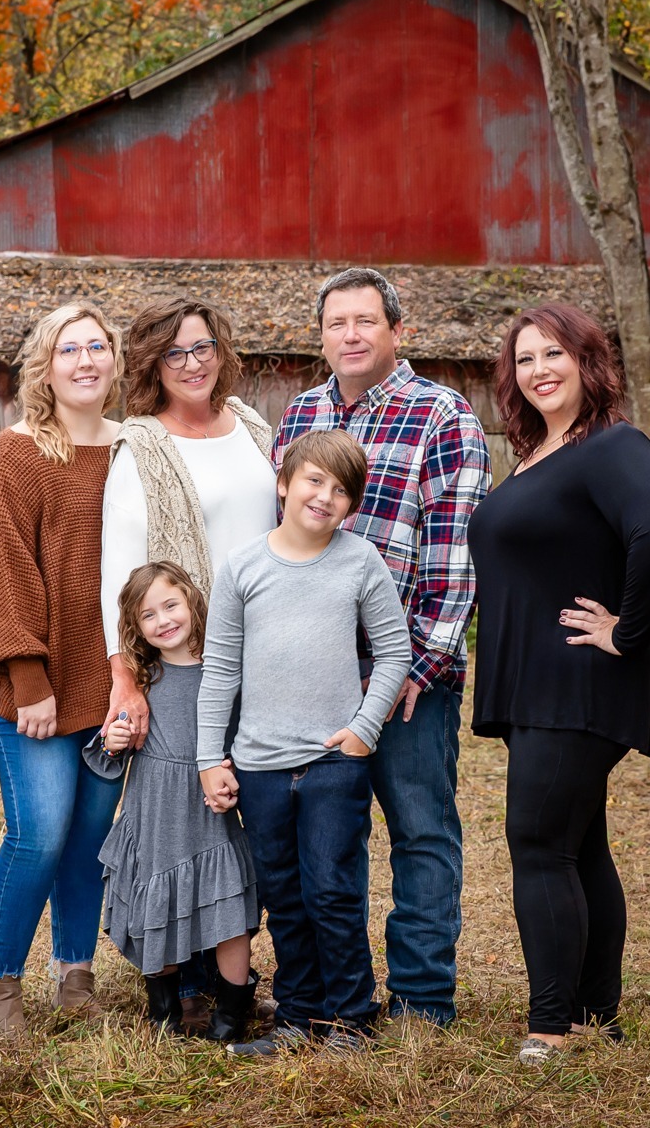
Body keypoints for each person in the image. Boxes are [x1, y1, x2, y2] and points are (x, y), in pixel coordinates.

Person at [467, 304, 650, 1063]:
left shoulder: (611, 444)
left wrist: (627, 630)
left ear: (588, 360)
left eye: (554, 353)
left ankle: (551, 1026)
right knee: (577, 842)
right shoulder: (542, 453)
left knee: (538, 842)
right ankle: (597, 1012)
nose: (539, 369)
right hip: (542, 680)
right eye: (525, 358)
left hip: (579, 677)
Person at [272, 268, 490, 1027]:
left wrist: (420, 665)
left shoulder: (442, 415)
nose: (352, 335)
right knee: (329, 845)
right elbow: (281, 541)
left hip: (406, 678)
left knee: (420, 830)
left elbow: (456, 554)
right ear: (322, 334)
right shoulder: (301, 413)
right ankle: (342, 994)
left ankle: (422, 999)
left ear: (398, 331)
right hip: (311, 674)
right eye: (338, 323)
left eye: (367, 321)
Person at [198, 430, 411, 1056]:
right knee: (285, 898)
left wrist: (363, 731)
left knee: (332, 893)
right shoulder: (243, 566)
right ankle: (298, 1019)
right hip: (261, 768)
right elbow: (221, 671)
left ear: (351, 506)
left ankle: (349, 1021)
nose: (325, 497)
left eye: (342, 490)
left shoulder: (359, 562)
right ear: (285, 484)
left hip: (332, 764)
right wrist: (213, 756)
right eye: (314, 480)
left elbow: (394, 652)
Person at [100, 295, 278, 1026]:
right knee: (187, 818)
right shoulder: (141, 447)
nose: (193, 363)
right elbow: (120, 570)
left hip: (265, 654)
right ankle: (185, 987)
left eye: (203, 347)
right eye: (175, 353)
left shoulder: (255, 428)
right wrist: (124, 680)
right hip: (188, 663)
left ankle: (242, 976)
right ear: (153, 365)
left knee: (251, 816)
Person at [0, 303, 127, 1033]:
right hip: (31, 683)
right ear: (45, 367)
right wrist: (30, 677)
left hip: (110, 675)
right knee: (42, 831)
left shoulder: (134, 449)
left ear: (116, 362)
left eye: (97, 347)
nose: (85, 360)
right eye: (69, 350)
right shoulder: (19, 452)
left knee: (91, 839)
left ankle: (75, 977)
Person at [84, 562, 260, 1041]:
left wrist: (233, 771)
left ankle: (230, 1016)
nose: (163, 620)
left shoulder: (225, 670)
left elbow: (246, 736)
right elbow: (107, 752)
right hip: (156, 811)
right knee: (154, 907)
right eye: (148, 615)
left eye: (170, 605)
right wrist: (116, 738)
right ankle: (163, 1011)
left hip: (208, 812)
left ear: (192, 601)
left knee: (227, 916)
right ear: (135, 628)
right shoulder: (142, 679)